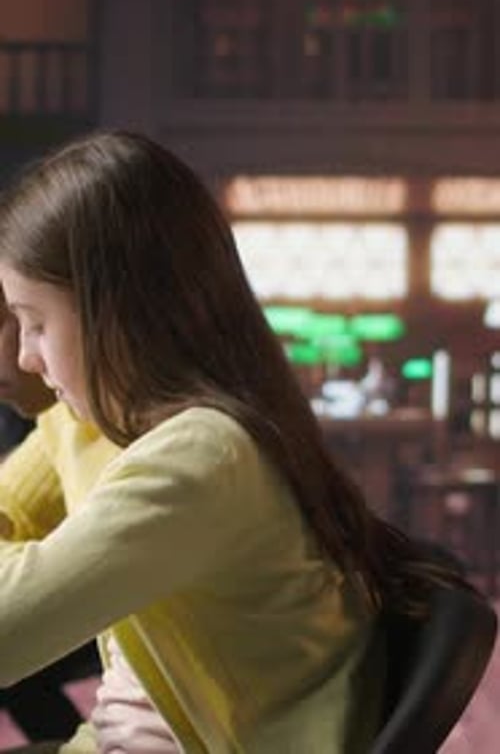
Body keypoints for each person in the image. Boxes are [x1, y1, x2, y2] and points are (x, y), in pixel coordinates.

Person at [0, 131, 468, 754]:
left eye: (36, 322)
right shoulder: (132, 427)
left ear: (115, 312)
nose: (26, 357)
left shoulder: (201, 454)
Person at [0, 288, 118, 746]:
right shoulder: (65, 418)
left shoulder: (179, 447)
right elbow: (8, 504)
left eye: (35, 323)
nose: (29, 356)